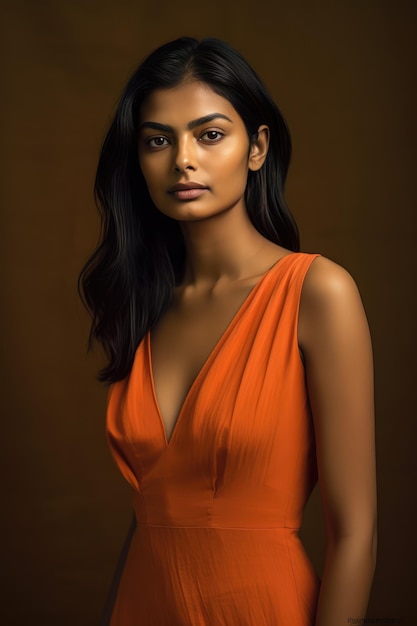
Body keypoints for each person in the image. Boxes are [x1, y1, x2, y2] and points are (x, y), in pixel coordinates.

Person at [79, 36, 377, 626]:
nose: (182, 159)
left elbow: (357, 533)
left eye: (209, 134)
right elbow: (152, 519)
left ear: (257, 147)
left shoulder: (316, 293)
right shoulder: (147, 304)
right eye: (158, 140)